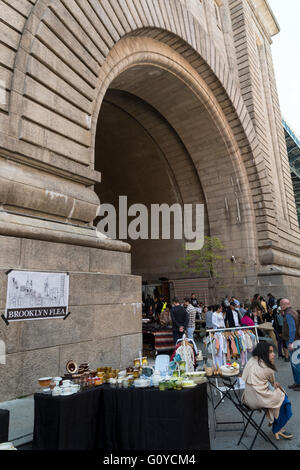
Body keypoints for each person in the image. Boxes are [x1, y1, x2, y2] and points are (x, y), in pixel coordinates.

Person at [242, 342, 293, 440]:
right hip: (257, 400)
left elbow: (261, 382)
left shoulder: (252, 360)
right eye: (270, 352)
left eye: (273, 352)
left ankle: (278, 427)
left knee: (278, 396)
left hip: (247, 398)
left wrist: (272, 386)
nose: (273, 354)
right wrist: (274, 387)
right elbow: (273, 383)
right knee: (283, 398)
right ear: (264, 353)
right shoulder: (268, 368)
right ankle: (278, 428)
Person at [280, 299, 300, 391]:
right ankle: (297, 382)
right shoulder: (293, 311)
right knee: (296, 363)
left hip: (294, 341)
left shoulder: (288, 314)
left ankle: (298, 384)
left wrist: (291, 342)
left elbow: (292, 329)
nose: (280, 306)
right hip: (296, 340)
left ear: (284, 305)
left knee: (296, 364)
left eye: (281, 305)